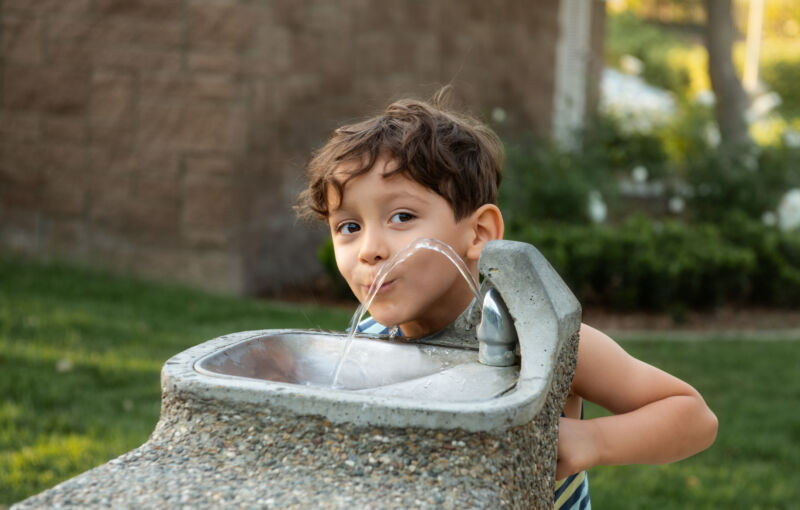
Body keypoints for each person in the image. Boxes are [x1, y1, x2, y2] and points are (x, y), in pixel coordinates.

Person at [296, 90, 718, 509]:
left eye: (402, 217)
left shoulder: (535, 338)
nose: (370, 249)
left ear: (478, 233)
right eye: (349, 226)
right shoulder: (368, 340)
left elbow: (692, 416)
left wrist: (588, 440)